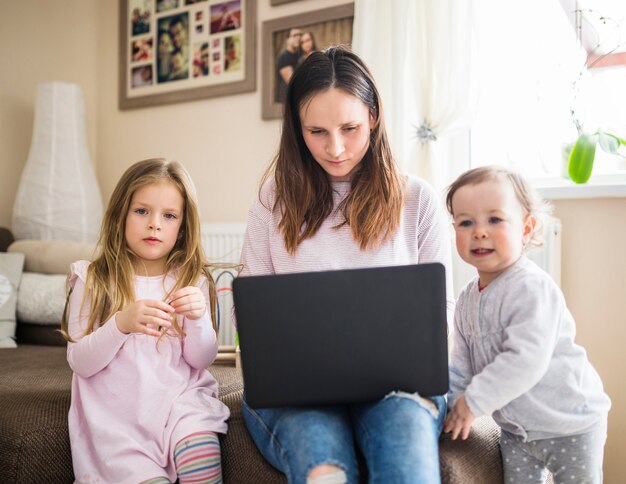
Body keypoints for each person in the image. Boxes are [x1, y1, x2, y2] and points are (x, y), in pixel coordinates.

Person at [238, 46, 454, 484]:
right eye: (316, 131)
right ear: (297, 130)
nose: (335, 148)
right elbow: (256, 321)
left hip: (401, 389)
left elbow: (440, 318)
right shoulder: (271, 201)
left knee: (405, 459)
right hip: (296, 391)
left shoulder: (417, 200)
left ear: (373, 116)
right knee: (323, 467)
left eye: (350, 128)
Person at [61, 158, 230, 484]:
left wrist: (197, 320)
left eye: (169, 216)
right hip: (118, 418)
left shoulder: (192, 279)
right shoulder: (92, 277)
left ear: (182, 228)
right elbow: (80, 362)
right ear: (120, 216)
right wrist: (119, 324)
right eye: (142, 211)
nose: (155, 224)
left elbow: (202, 359)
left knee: (202, 463)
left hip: (182, 405)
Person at [443, 166, 611, 483]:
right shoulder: (466, 300)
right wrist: (453, 406)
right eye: (466, 222)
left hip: (569, 424)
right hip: (517, 432)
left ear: (527, 227)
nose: (479, 231)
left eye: (494, 219)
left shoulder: (531, 288)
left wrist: (474, 403)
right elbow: (461, 366)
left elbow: (525, 359)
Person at [274, 28, 301, 103]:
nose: (298, 38)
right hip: (285, 100)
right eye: (294, 35)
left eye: (300, 35)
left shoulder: (299, 54)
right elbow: (291, 81)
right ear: (287, 39)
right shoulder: (283, 56)